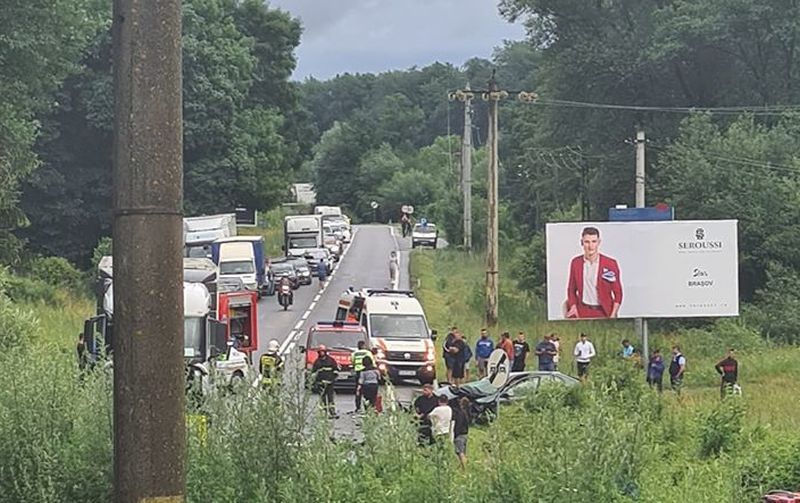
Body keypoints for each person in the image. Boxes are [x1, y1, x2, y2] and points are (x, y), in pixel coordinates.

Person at [565, 226, 622, 319]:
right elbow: (571, 289)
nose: (590, 246)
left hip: (604, 312)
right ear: (582, 243)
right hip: (582, 311)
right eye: (587, 242)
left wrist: (613, 314)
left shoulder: (610, 264)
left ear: (599, 242)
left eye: (594, 241)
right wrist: (573, 307)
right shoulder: (576, 263)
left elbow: (618, 292)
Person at [312, 345, 340, 418]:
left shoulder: (331, 360)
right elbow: (313, 372)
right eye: (320, 351)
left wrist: (334, 377)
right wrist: (315, 382)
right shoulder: (317, 362)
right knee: (323, 399)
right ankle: (324, 413)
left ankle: (332, 412)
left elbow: (336, 369)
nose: (321, 353)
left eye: (323, 351)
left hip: (330, 382)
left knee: (330, 398)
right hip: (321, 383)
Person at [352, 341, 373, 412]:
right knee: (368, 391)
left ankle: (358, 407)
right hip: (367, 371)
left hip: (358, 372)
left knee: (358, 391)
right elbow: (372, 361)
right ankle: (368, 407)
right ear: (364, 345)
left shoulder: (354, 353)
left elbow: (352, 361)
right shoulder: (367, 353)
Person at [452, 397, 471, 469]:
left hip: (459, 435)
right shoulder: (467, 413)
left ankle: (465, 469)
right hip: (465, 434)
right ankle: (461, 467)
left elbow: (459, 424)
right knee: (463, 451)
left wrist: (455, 434)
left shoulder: (461, 413)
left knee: (460, 452)